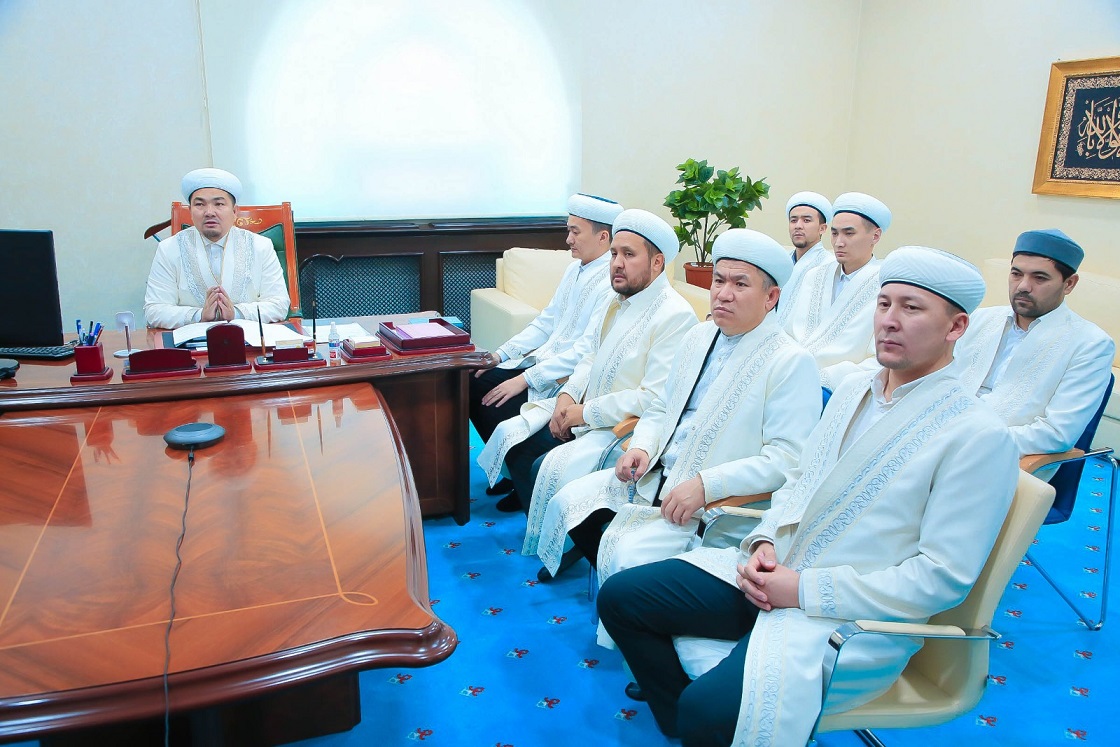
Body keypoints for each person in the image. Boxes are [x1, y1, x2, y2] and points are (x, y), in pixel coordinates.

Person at [598, 245, 1018, 746]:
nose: (889, 320)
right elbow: (798, 481)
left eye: (912, 308)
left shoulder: (978, 435)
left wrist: (802, 589)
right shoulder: (854, 391)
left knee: (706, 712)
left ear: (956, 327)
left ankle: (704, 721)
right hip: (774, 573)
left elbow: (941, 578)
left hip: (848, 618)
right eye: (884, 304)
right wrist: (763, 542)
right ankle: (689, 722)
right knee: (621, 598)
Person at [529, 229, 820, 604]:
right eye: (718, 280)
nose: (723, 293)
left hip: (709, 507)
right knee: (566, 501)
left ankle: (632, 606)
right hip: (653, 476)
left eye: (740, 284)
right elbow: (663, 407)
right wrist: (643, 447)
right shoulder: (699, 336)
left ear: (771, 297)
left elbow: (786, 460)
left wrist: (707, 484)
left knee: (626, 558)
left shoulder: (791, 361)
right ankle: (625, 600)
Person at [477, 209, 697, 522]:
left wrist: (583, 412)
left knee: (539, 463)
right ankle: (553, 529)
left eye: (629, 255)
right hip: (584, 410)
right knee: (519, 444)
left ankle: (578, 538)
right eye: (614, 254)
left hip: (621, 429)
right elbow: (589, 356)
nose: (617, 263)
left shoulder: (675, 315)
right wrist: (566, 397)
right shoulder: (615, 300)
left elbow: (652, 398)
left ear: (657, 262)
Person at [469, 193, 623, 503]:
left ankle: (522, 478)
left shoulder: (610, 283)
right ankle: (512, 473)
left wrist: (524, 379)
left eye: (575, 232)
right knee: (472, 380)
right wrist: (499, 355)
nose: (568, 240)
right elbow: (545, 322)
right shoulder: (574, 269)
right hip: (539, 364)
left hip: (562, 380)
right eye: (568, 230)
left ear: (602, 237)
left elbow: (585, 351)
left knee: (494, 396)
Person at [954, 229, 1114, 473]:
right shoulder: (980, 319)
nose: (1023, 286)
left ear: (1069, 284)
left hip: (1004, 461)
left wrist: (969, 441)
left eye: (1039, 278)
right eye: (1016, 274)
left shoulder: (1090, 344)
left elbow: (1056, 433)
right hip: (939, 439)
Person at [144, 168, 290, 329]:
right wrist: (199, 315)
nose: (209, 212)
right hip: (190, 340)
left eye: (219, 204)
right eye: (199, 204)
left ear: (234, 211)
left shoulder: (261, 246)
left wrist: (236, 313)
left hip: (247, 338)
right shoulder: (168, 249)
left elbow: (279, 304)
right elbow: (154, 309)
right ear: (190, 211)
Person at [782, 192, 889, 369]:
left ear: (875, 236)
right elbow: (789, 332)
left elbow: (878, 357)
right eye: (834, 233)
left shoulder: (884, 286)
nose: (839, 242)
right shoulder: (815, 276)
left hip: (845, 379)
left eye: (849, 233)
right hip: (794, 370)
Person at [773, 191, 832, 328]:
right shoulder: (780, 262)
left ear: (822, 228)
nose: (798, 226)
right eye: (793, 220)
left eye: (806, 220)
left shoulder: (830, 265)